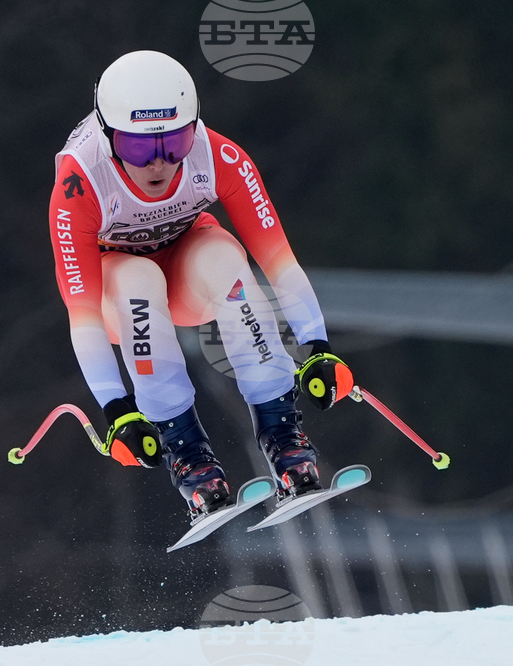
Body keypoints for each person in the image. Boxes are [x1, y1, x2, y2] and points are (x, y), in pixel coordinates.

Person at [48, 50, 353, 518]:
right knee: (137, 278)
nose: (159, 164)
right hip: (122, 297)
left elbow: (279, 261)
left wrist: (317, 346)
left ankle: (285, 440)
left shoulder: (219, 155)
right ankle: (189, 458)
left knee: (226, 261)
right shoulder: (80, 181)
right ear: (109, 139)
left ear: (194, 128)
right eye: (138, 149)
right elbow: (83, 314)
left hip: (192, 275)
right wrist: (117, 409)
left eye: (174, 143)